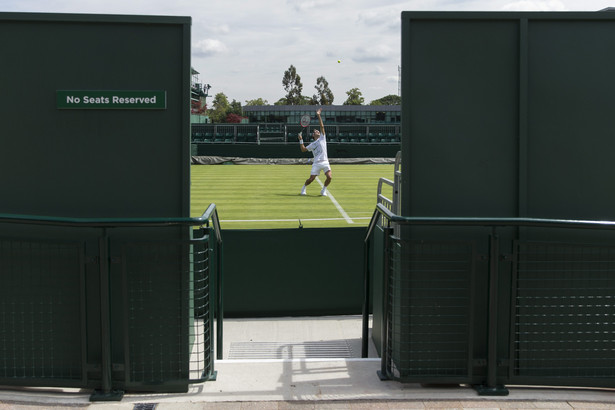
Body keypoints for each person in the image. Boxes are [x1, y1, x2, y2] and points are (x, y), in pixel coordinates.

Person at [298, 107, 332, 196]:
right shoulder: (312, 144)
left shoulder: (322, 138)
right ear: (313, 135)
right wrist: (301, 140)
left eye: (318, 130)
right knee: (311, 179)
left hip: (325, 162)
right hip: (316, 163)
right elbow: (303, 149)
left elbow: (322, 126)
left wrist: (318, 115)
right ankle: (304, 188)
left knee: (329, 177)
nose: (317, 131)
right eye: (316, 131)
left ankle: (323, 190)